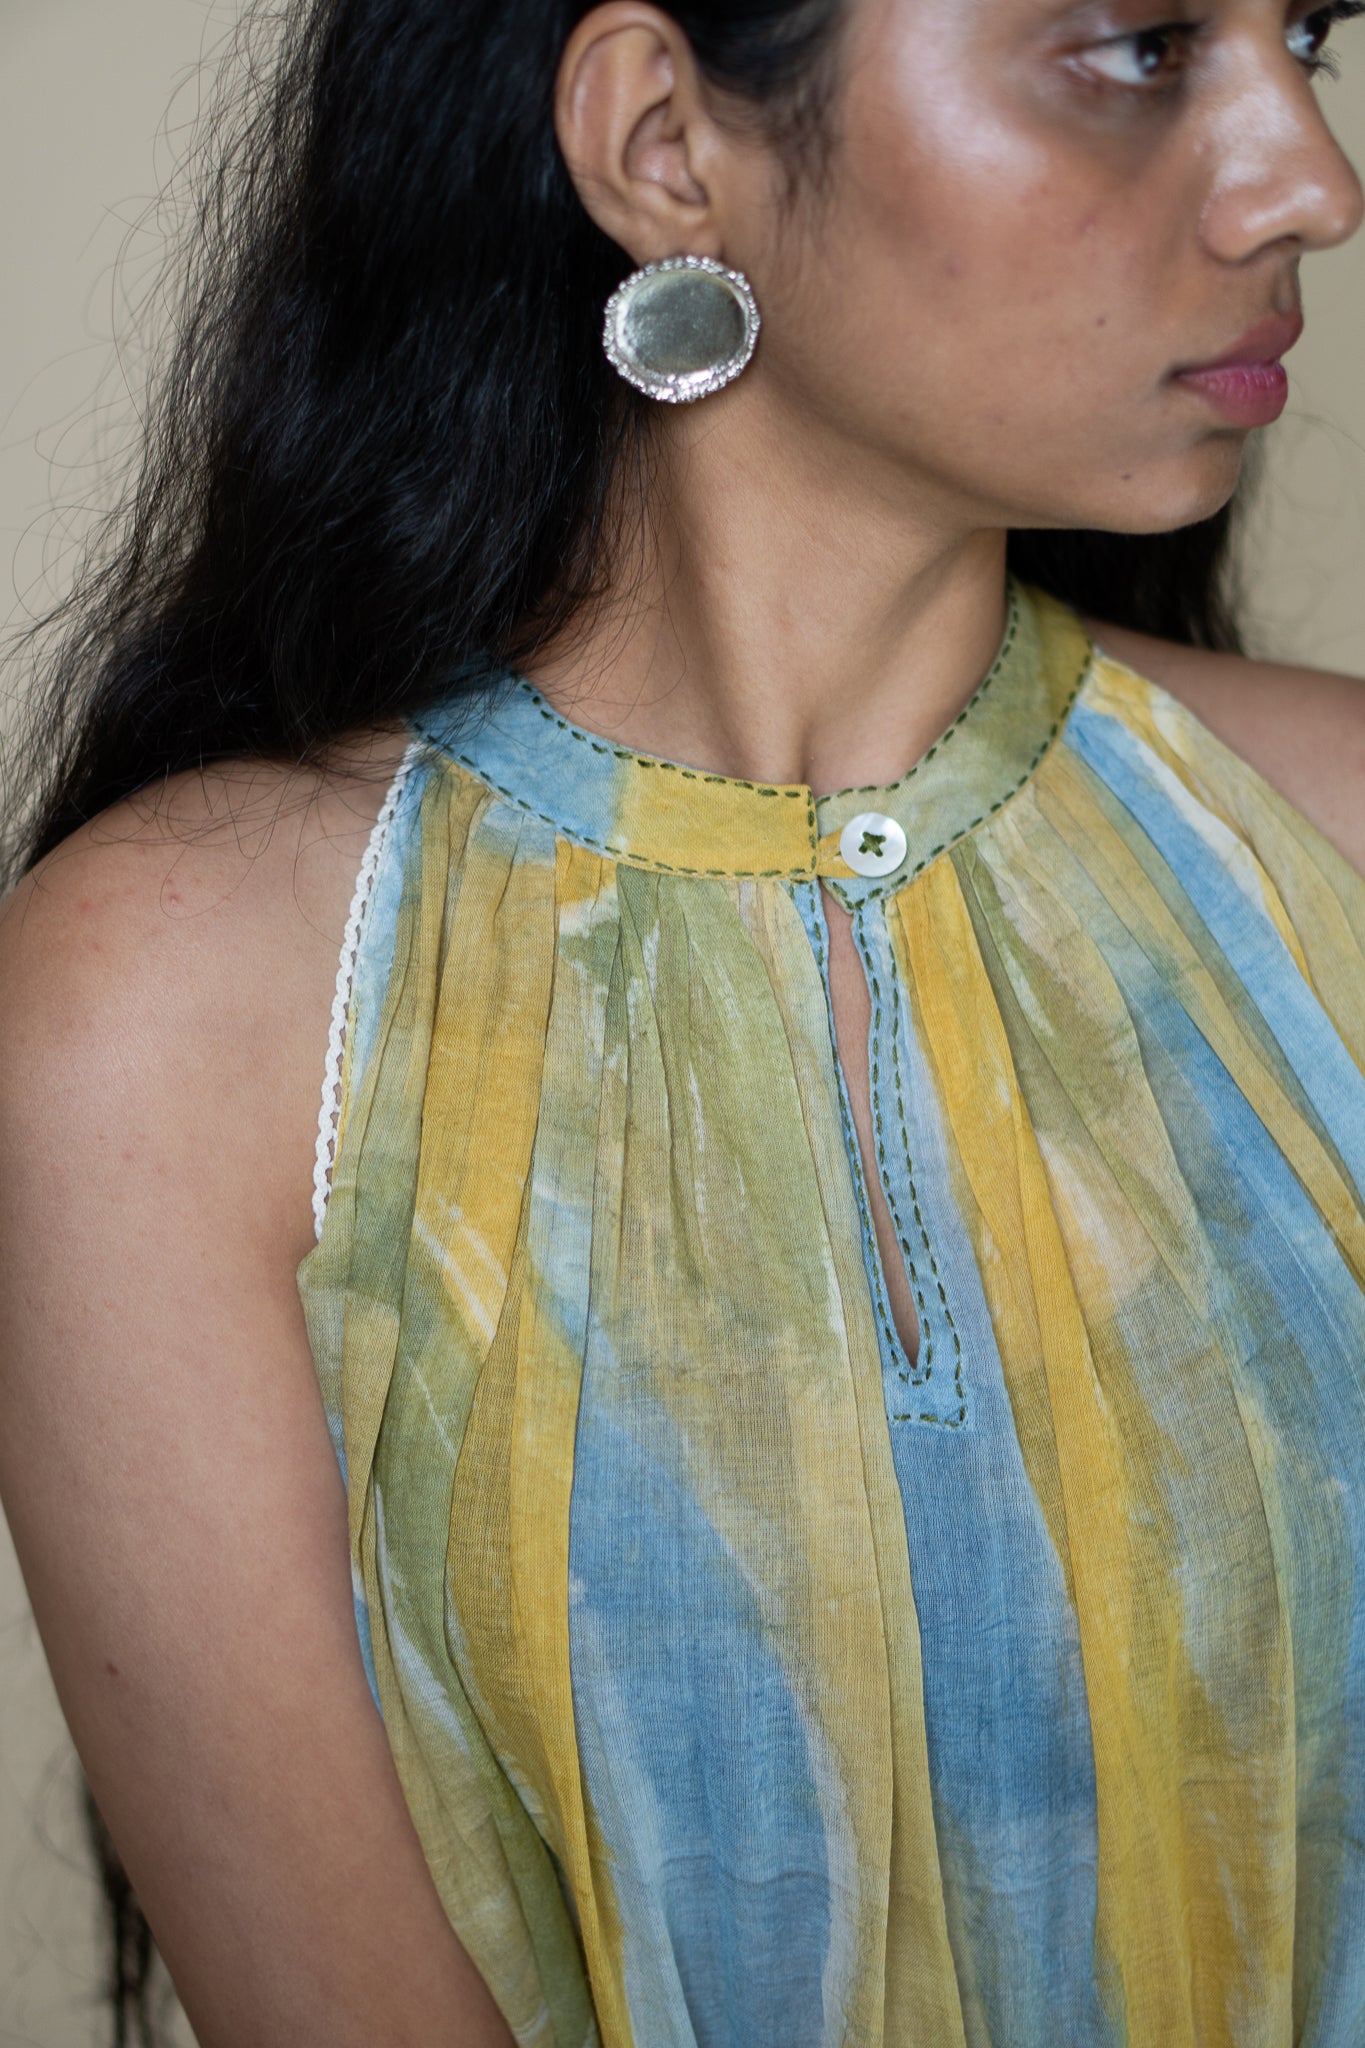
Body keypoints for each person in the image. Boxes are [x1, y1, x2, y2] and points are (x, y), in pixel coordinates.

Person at [1, 0, 1364, 2042]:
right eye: (1137, 48)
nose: (1309, 186)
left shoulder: (1336, 856)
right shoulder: (168, 1025)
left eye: (1306, 38)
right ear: (661, 142)